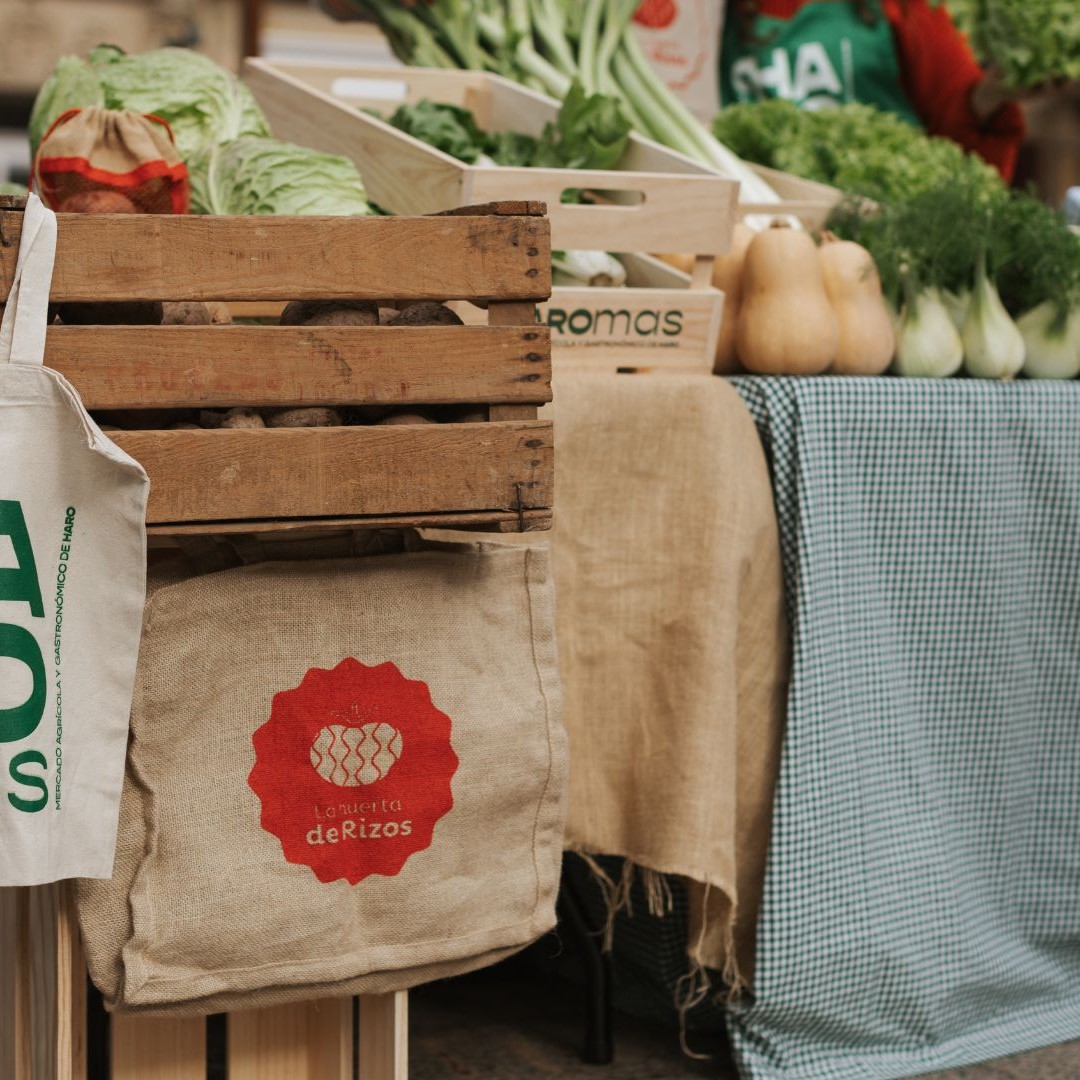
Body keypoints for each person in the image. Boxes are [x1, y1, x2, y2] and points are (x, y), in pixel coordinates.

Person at [719, 0, 1030, 180]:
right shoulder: (707, 16)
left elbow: (962, 117)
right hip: (749, 225)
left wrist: (992, 95)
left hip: (889, 237)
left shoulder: (902, 7)